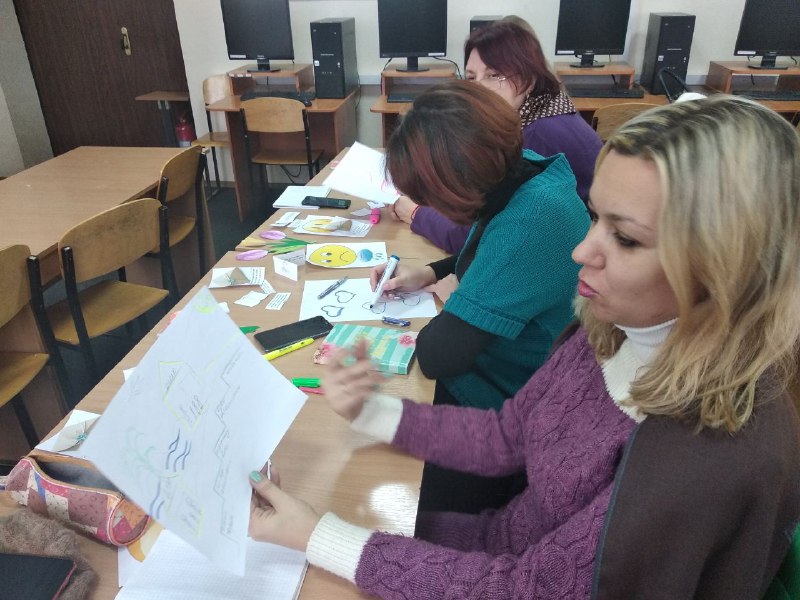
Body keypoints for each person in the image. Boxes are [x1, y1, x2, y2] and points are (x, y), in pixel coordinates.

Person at [248, 95, 800, 598]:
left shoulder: (698, 457)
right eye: (597, 217)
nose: (582, 251)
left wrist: (320, 536)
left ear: (724, 267)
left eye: (626, 237)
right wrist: (370, 413)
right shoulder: (610, 330)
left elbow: (530, 589)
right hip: (502, 547)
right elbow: (507, 436)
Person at [393, 18, 603, 254]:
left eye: (493, 75)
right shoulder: (547, 108)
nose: (478, 88)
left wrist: (416, 213)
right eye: (471, 78)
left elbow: (477, 236)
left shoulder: (535, 137)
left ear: (528, 78)